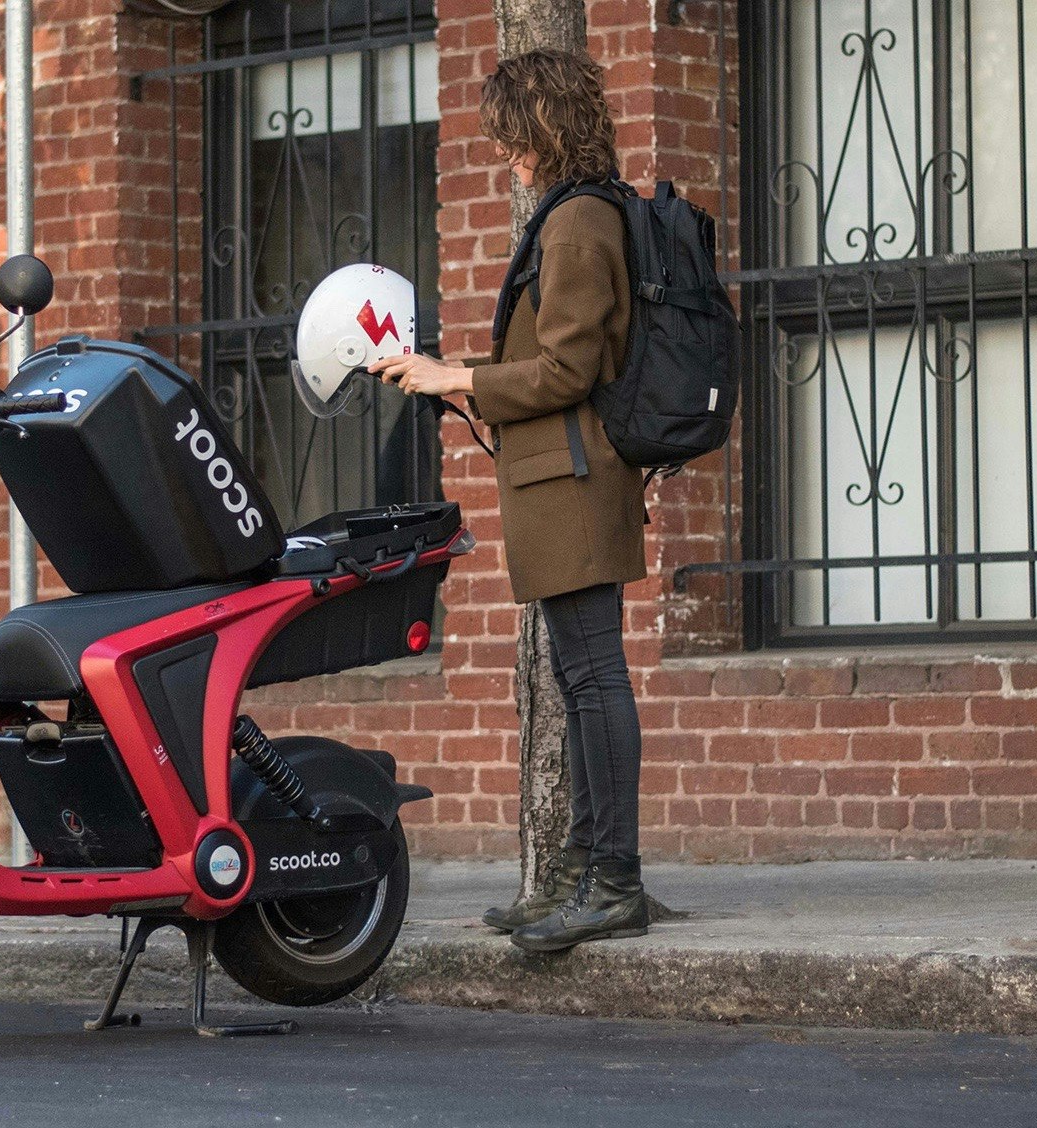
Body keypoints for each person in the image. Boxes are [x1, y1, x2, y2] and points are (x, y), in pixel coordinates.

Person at [369, 47, 648, 951]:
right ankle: (577, 867)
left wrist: (460, 375)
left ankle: (615, 880)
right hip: (556, 475)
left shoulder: (576, 226)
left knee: (596, 676)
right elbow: (545, 360)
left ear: (544, 128)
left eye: (512, 137)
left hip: (573, 477)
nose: (505, 155)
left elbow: (569, 367)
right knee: (578, 677)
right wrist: (447, 375)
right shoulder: (573, 216)